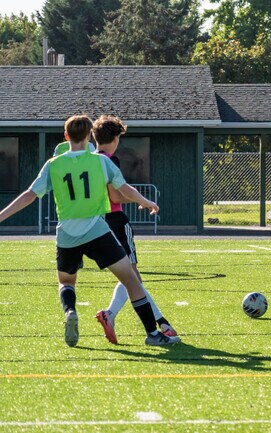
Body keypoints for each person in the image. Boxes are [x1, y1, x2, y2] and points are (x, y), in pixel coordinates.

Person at [0, 115, 180, 347]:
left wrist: (1, 216)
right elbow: (124, 188)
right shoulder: (100, 162)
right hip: (97, 231)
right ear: (89, 136)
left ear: (66, 136)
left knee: (66, 283)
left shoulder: (53, 165)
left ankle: (70, 312)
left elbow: (29, 195)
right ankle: (153, 334)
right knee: (132, 281)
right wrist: (146, 202)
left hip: (67, 234)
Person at [91, 115, 176, 344]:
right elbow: (116, 195)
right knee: (132, 277)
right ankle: (156, 325)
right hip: (116, 221)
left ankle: (161, 323)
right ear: (116, 138)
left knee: (129, 276)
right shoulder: (109, 161)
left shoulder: (90, 161)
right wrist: (143, 201)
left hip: (97, 223)